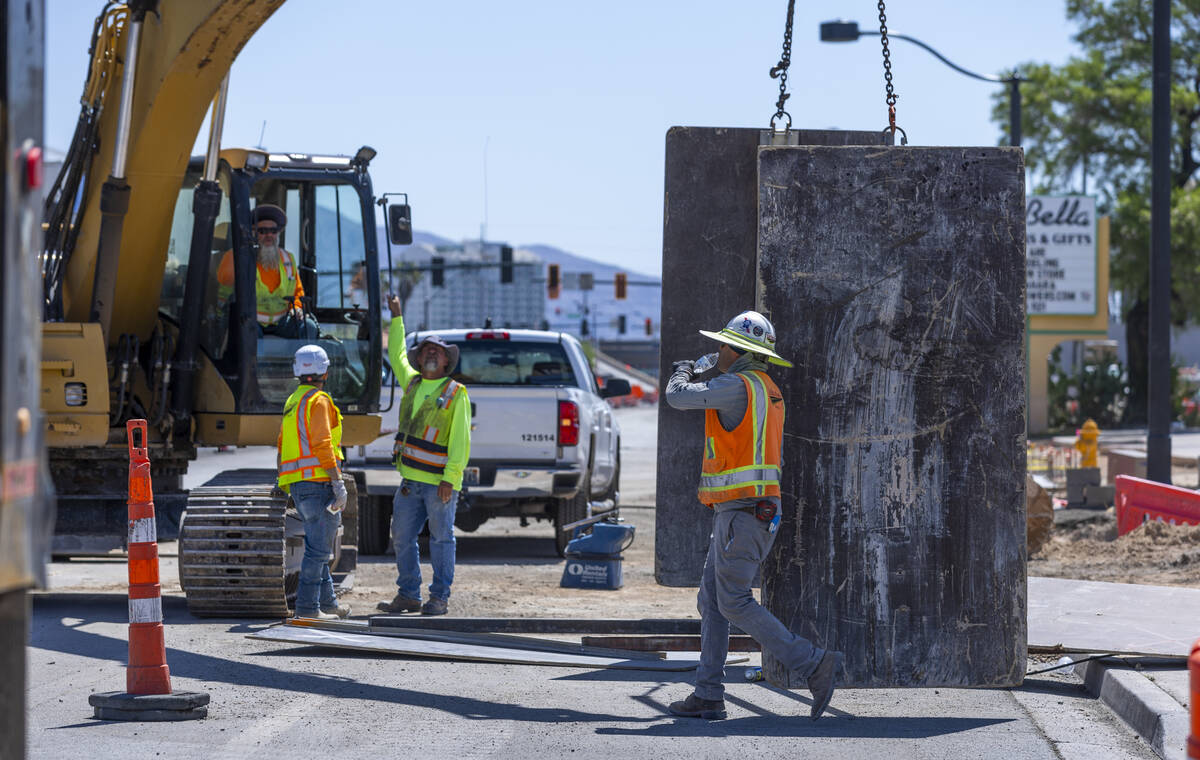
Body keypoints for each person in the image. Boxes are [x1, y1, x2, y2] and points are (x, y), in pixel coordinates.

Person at [664, 310, 843, 721]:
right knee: (712, 601)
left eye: (721, 345)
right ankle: (708, 694)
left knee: (734, 602)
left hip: (745, 513)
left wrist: (685, 370)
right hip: (744, 511)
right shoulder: (764, 386)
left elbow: (678, 396)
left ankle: (813, 663)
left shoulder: (735, 386)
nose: (716, 350)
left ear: (736, 350)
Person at [376, 294, 471, 617]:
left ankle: (439, 597)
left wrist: (450, 478)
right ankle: (408, 594)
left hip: (439, 484)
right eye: (427, 349)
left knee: (442, 541)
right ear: (419, 360)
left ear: (446, 362)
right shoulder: (412, 384)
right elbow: (395, 352)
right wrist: (398, 315)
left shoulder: (455, 393)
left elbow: (461, 440)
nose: (432, 352)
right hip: (410, 481)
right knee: (402, 538)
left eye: (438, 351)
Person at [276, 344, 350, 620]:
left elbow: (282, 443)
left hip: (300, 485)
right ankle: (308, 609)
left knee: (318, 547)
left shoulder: (293, 400)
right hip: (318, 483)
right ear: (326, 373)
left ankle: (328, 604)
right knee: (319, 551)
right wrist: (337, 481)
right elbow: (322, 443)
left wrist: (283, 480)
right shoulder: (318, 400)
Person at [216, 203, 314, 338]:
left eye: (273, 231)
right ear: (252, 233)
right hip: (248, 320)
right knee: (246, 331)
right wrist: (242, 251)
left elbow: (298, 293)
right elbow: (224, 279)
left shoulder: (288, 259)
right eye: (262, 231)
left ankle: (300, 360)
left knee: (308, 327)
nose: (269, 235)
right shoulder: (236, 256)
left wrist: (296, 308)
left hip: (281, 322)